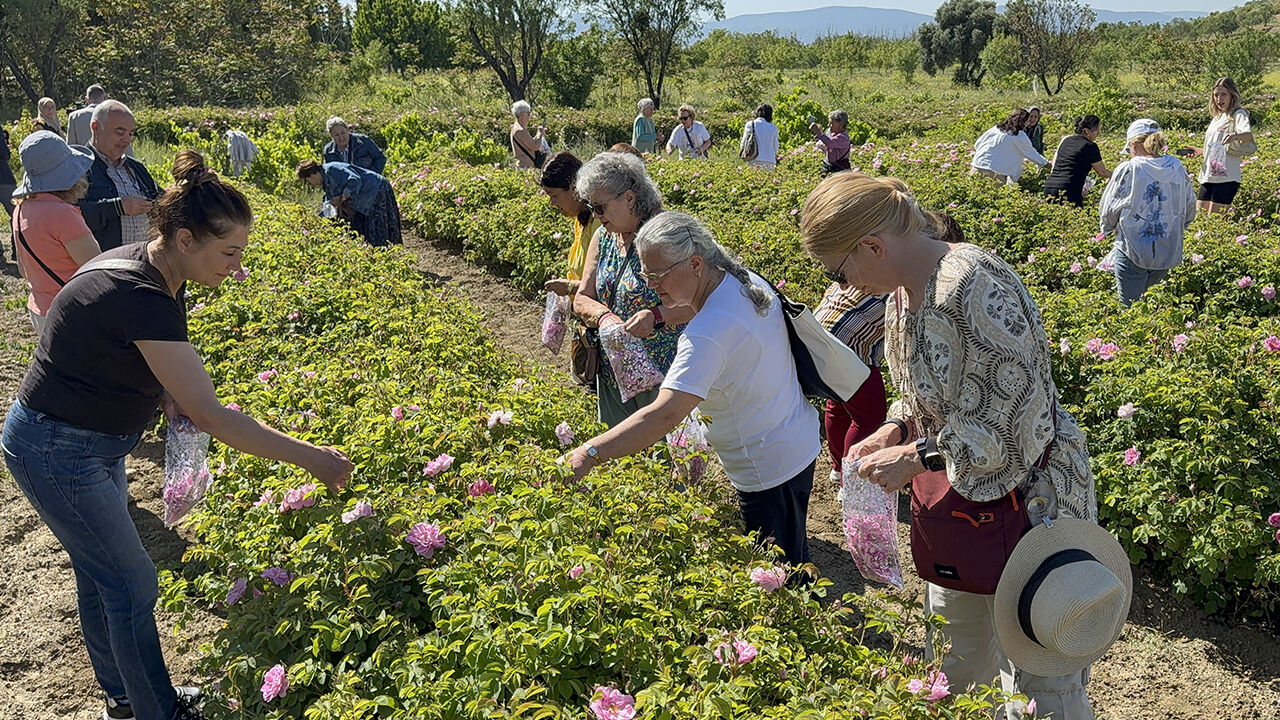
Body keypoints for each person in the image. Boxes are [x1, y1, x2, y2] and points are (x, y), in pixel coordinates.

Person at [2, 149, 353, 720]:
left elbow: (128, 356)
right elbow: (211, 414)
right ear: (186, 239)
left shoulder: (152, 268)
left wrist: (163, 392)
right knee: (133, 582)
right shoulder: (140, 293)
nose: (238, 267)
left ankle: (125, 697)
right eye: (230, 252)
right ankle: (157, 710)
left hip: (82, 441)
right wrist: (314, 458)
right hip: (57, 449)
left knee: (101, 578)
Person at [800, 171, 1100, 720]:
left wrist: (917, 457)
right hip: (958, 511)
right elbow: (922, 395)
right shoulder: (901, 296)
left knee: (1040, 679)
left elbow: (1016, 423)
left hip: (1031, 509)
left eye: (840, 271)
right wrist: (895, 428)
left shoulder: (976, 286)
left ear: (873, 245)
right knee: (956, 664)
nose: (843, 286)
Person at [566, 211, 820, 566]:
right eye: (645, 274)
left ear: (696, 264)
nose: (651, 287)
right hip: (793, 436)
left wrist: (588, 453)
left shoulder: (708, 333)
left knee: (781, 574)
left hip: (768, 465)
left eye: (657, 276)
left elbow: (665, 414)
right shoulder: (738, 280)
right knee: (790, 551)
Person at [572, 152, 692, 426]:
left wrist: (656, 316)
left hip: (662, 370)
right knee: (622, 457)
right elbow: (583, 298)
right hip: (613, 367)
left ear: (629, 198)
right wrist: (605, 318)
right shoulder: (604, 237)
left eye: (600, 207)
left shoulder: (666, 235)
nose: (596, 215)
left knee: (664, 452)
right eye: (592, 208)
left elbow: (694, 303)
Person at [10, 131, 101, 333]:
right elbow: (96, 267)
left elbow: (24, 271)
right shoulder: (63, 214)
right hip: (73, 310)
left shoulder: (20, 211)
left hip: (39, 309)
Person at [1100, 119, 1196, 306]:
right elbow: (1189, 205)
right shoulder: (1176, 166)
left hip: (1132, 248)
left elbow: (1109, 208)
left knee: (1131, 309)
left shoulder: (1130, 168)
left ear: (1134, 144)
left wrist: (1110, 228)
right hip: (1167, 250)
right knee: (1152, 307)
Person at [813, 281, 887, 486]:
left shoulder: (870, 259)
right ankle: (852, 480)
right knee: (870, 417)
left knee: (838, 405)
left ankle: (839, 469)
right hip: (850, 343)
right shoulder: (909, 271)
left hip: (820, 331)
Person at [79, 100, 160, 251]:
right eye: (120, 132)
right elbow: (72, 215)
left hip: (142, 262)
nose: (127, 140)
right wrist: (118, 207)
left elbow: (161, 200)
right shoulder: (78, 168)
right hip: (105, 265)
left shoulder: (136, 168)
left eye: (131, 133)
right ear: (95, 128)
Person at [295, 160, 402, 247]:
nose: (310, 184)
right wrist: (315, 222)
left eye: (308, 181)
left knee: (377, 225)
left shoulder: (332, 170)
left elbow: (355, 180)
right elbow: (329, 207)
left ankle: (385, 256)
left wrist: (342, 197)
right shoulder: (326, 183)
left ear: (311, 175)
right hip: (365, 198)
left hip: (375, 189)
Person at [1187, 77, 1253, 214]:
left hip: (1227, 177)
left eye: (1223, 94)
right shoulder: (1217, 117)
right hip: (1208, 175)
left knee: (1215, 220)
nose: (1219, 99)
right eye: (1216, 95)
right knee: (1200, 216)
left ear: (1232, 95)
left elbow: (1247, 135)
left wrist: (1235, 136)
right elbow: (1216, 148)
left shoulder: (1238, 114)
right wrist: (1200, 151)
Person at [540, 152, 599, 299]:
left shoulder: (600, 223)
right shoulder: (581, 220)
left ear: (574, 188)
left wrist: (569, 287)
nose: (552, 203)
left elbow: (605, 284)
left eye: (554, 196)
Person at [1043, 115, 1112, 208]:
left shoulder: (1066, 141)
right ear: (1087, 131)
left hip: (1049, 186)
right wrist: (1115, 175)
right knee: (1076, 216)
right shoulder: (1090, 146)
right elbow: (1102, 172)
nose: (1098, 133)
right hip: (1068, 188)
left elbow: (1056, 164)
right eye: (1096, 130)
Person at [970, 109, 1049, 185]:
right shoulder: (1019, 136)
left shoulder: (996, 129)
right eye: (1027, 121)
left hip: (976, 168)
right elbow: (1032, 154)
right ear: (1023, 122)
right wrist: (1049, 166)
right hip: (994, 174)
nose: (1028, 124)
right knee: (994, 197)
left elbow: (977, 144)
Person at [322, 117, 386, 174]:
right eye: (336, 135)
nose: (341, 137)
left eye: (343, 133)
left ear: (347, 130)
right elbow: (329, 173)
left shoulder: (363, 141)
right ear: (331, 136)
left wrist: (372, 176)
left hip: (369, 184)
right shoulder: (328, 151)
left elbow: (380, 158)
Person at [810, 110, 852, 176]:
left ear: (840, 124)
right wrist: (819, 135)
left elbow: (830, 143)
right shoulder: (832, 133)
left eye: (831, 123)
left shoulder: (843, 137)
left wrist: (819, 133)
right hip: (829, 165)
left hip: (839, 168)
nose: (829, 125)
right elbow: (825, 142)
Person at [510, 101, 549, 170]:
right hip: (525, 167)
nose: (529, 115)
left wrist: (538, 134)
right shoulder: (520, 130)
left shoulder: (517, 127)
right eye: (528, 113)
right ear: (522, 114)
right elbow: (535, 146)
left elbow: (529, 143)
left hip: (525, 166)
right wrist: (540, 134)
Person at [741, 103, 780, 169]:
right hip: (770, 160)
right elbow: (776, 147)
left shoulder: (750, 124)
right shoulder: (773, 128)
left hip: (754, 159)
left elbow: (744, 143)